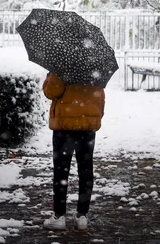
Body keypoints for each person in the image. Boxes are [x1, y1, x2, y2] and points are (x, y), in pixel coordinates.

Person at [41, 71, 105, 231]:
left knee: (61, 171)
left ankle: (59, 216)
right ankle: (82, 216)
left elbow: (51, 92)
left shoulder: (62, 66)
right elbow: (100, 99)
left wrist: (50, 76)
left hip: (64, 127)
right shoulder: (94, 68)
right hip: (86, 128)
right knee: (86, 169)